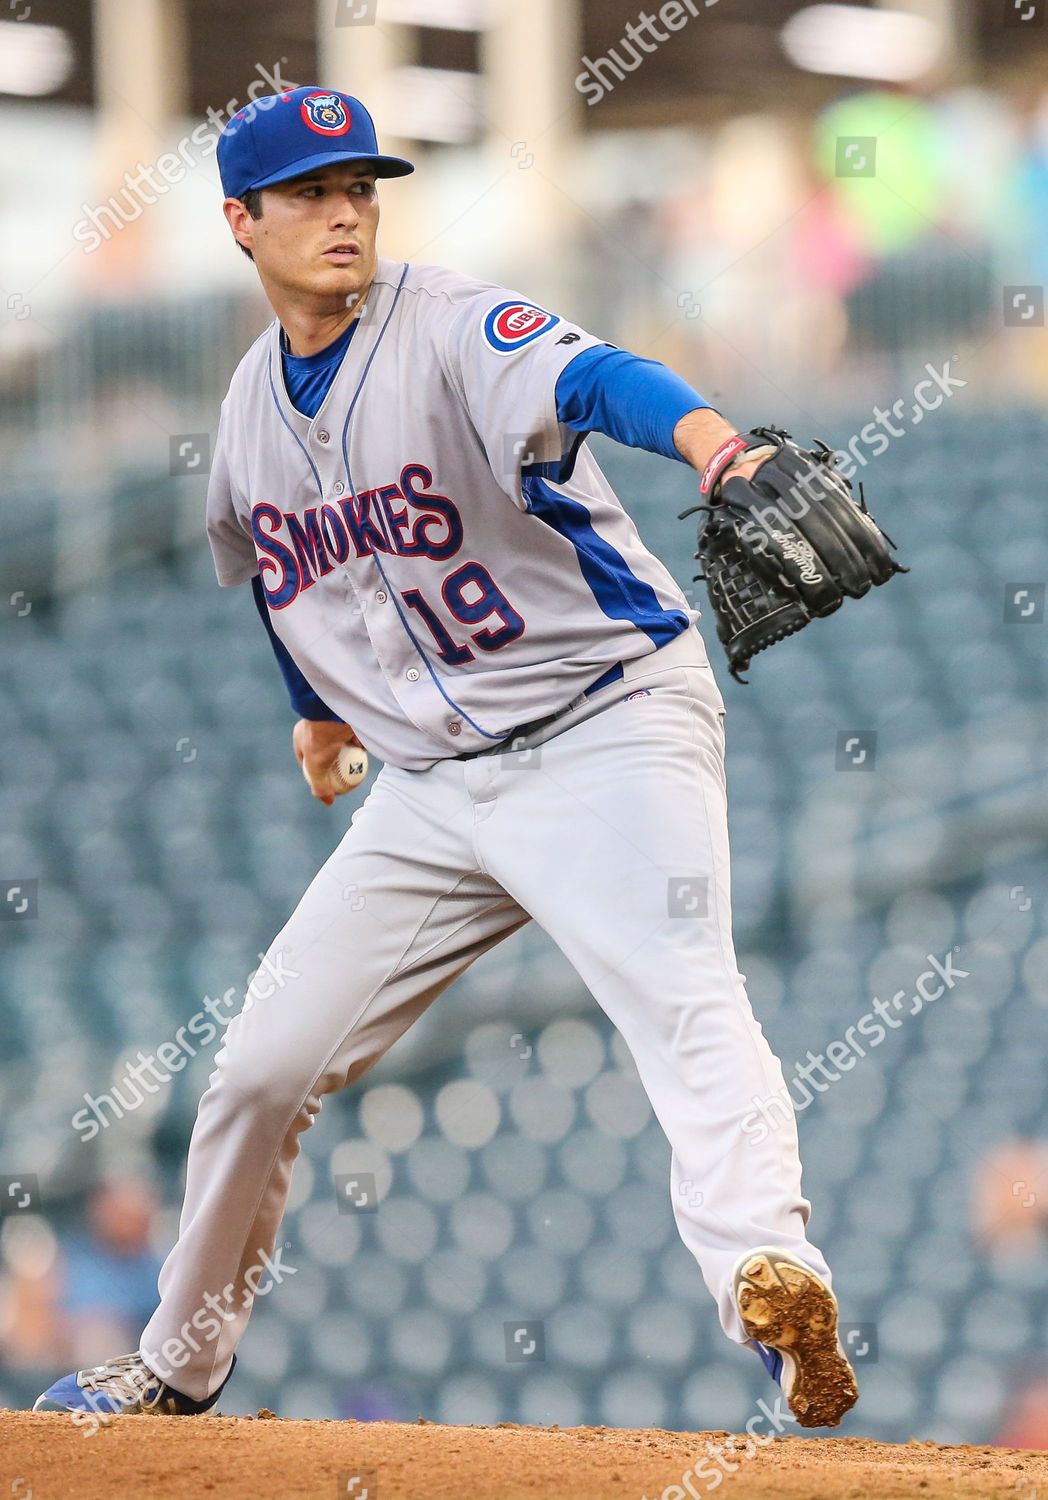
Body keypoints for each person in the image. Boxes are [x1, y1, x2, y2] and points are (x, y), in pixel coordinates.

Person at [35, 86, 857, 1429]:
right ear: (239, 223)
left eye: (359, 185)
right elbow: (281, 576)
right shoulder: (246, 416)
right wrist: (320, 711)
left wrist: (717, 447)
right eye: (308, 193)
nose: (345, 210)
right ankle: (178, 1367)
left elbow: (597, 380)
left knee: (682, 988)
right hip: (432, 789)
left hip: (608, 724)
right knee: (255, 1070)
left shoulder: (452, 320)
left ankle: (776, 1278)